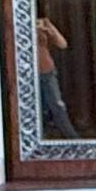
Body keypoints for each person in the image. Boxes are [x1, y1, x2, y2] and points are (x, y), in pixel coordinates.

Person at [35, 10, 79, 140]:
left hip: (47, 71)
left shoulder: (44, 23)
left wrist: (49, 30)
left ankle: (72, 138)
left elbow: (62, 44)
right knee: (37, 108)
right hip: (27, 72)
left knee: (57, 105)